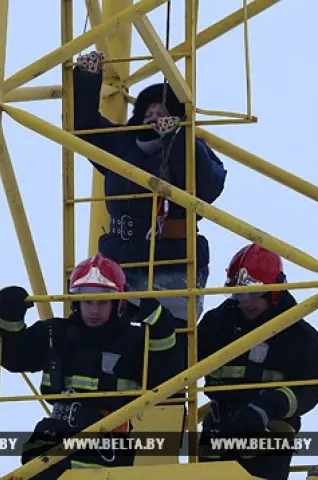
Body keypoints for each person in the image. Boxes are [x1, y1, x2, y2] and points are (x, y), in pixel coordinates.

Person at [0, 253, 184, 478]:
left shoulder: (135, 340)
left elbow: (166, 378)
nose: (93, 310)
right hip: (55, 434)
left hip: (108, 446)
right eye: (87, 301)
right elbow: (14, 356)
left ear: (119, 301)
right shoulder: (56, 334)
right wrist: (8, 317)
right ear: (76, 301)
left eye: (102, 302)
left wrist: (161, 326)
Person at [72, 50, 227, 328]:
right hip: (121, 259)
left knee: (168, 338)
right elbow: (85, 129)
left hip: (174, 262)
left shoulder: (195, 148)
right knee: (115, 339)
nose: (154, 116)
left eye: (163, 112)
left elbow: (209, 186)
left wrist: (176, 139)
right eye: (149, 111)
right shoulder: (122, 144)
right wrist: (87, 78)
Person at [196, 243, 318, 480]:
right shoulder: (216, 324)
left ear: (274, 291)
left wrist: (267, 407)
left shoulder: (298, 336)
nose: (247, 302)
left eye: (254, 294)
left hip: (267, 440)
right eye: (240, 294)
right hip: (216, 433)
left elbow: (310, 389)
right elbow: (182, 366)